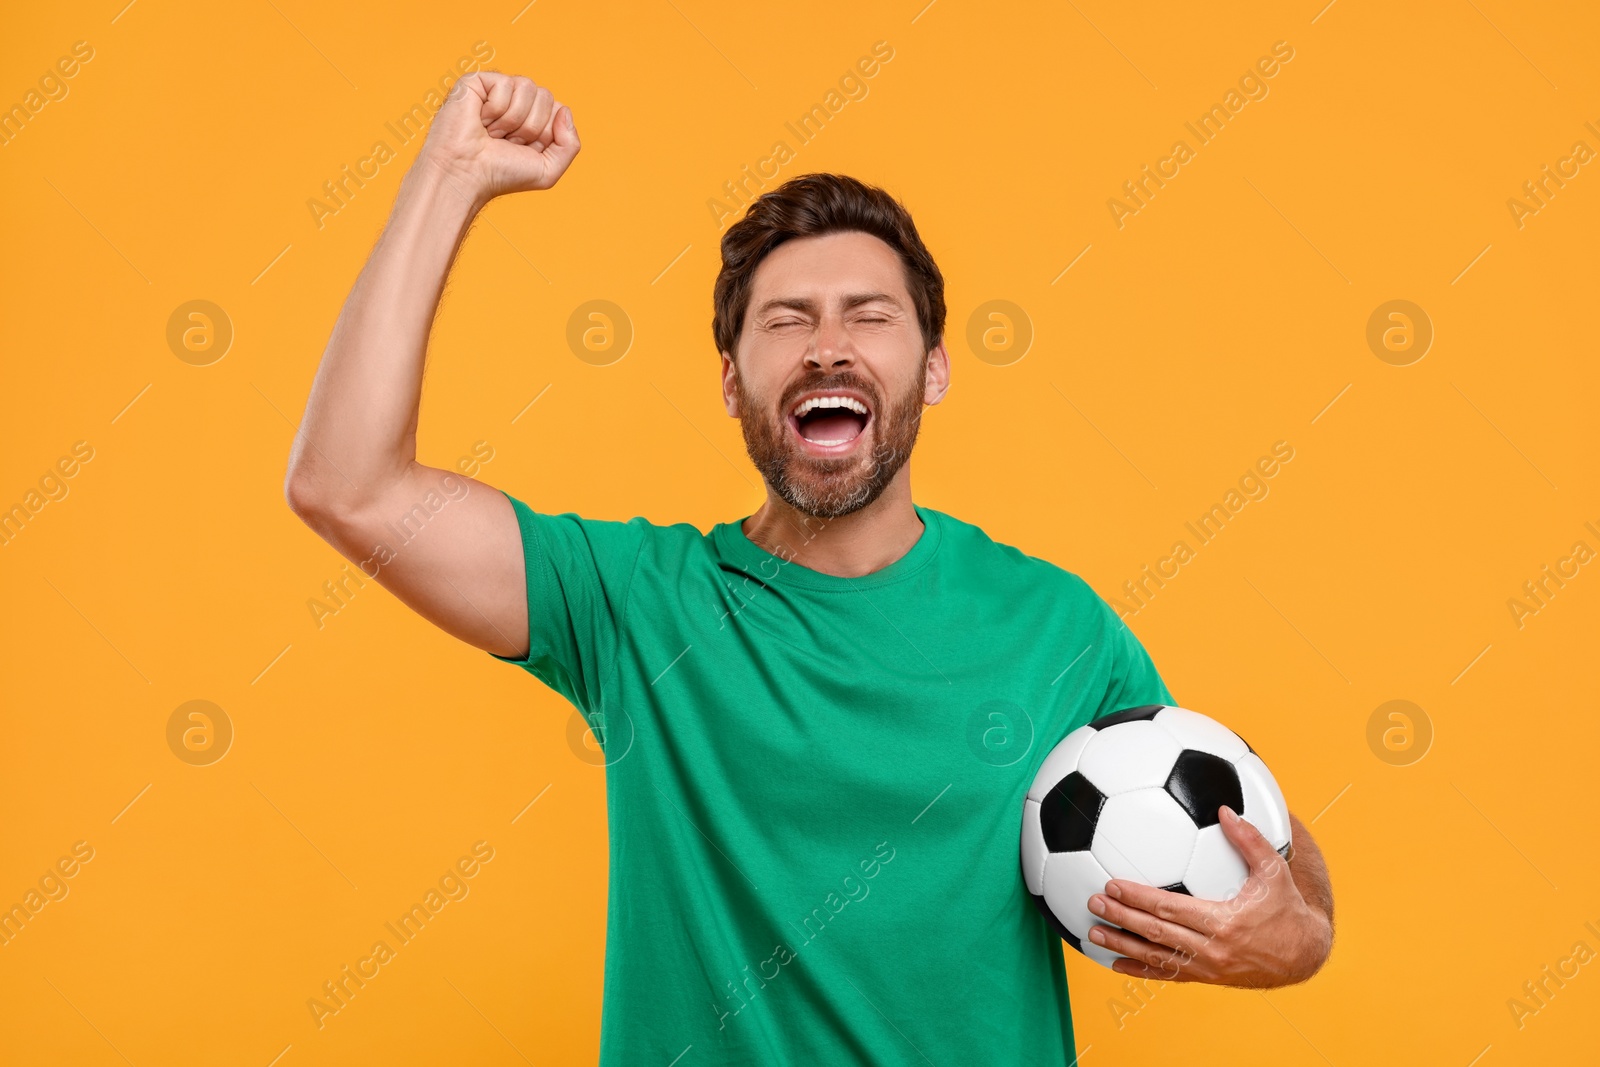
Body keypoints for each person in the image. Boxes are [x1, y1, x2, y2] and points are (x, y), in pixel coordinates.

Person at [285, 70, 1335, 1066]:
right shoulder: (638, 606)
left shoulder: (1054, 624)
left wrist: (1297, 936)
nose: (826, 347)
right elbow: (349, 485)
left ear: (931, 370)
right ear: (732, 383)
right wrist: (450, 174)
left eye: (868, 315)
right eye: (785, 321)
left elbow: (1252, 837)